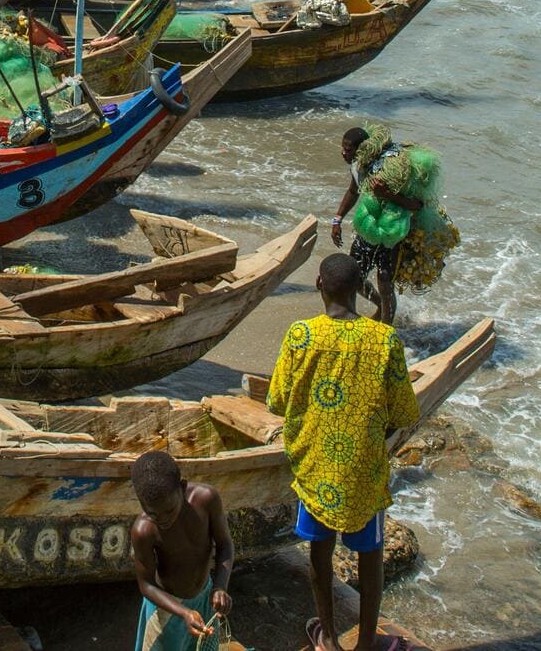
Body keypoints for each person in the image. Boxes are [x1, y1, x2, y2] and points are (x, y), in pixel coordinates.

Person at [267, 253, 421, 651]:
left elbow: (277, 401)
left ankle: (330, 639)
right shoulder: (384, 339)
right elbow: (405, 411)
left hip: (316, 466)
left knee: (320, 556)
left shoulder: (301, 335)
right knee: (370, 558)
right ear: (358, 291)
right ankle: (367, 643)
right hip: (363, 472)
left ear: (319, 285)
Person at [130, 450, 233, 651]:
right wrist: (184, 612)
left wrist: (220, 587)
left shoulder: (206, 499)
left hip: (204, 595)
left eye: (169, 510)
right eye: (152, 513)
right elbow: (147, 585)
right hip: (167, 609)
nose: (162, 519)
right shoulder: (143, 531)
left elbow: (225, 545)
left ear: (183, 487)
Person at [329, 127, 424, 324]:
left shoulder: (390, 172)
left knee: (385, 282)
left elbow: (417, 205)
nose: (343, 153)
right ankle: (381, 307)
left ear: (362, 149)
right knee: (354, 279)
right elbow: (353, 191)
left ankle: (387, 331)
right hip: (368, 230)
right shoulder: (357, 167)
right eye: (343, 148)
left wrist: (387, 195)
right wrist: (337, 220)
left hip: (392, 236)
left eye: (348, 149)